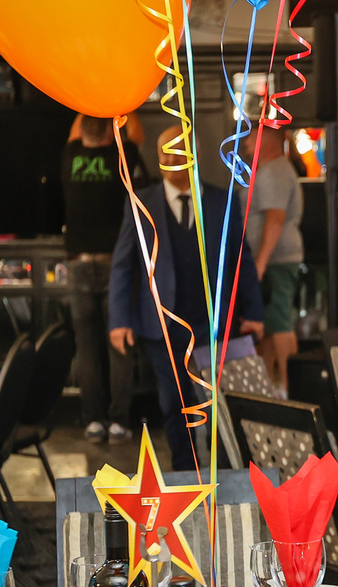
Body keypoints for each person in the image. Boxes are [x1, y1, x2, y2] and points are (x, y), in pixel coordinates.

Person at [110, 128, 265, 472]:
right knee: (173, 403)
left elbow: (242, 259)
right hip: (161, 324)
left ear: (195, 154)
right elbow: (123, 264)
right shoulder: (140, 202)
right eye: (164, 151)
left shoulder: (222, 200)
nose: (171, 157)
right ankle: (185, 473)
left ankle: (224, 475)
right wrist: (119, 320)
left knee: (218, 402)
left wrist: (254, 311)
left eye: (178, 149)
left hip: (213, 322)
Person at [59, 115, 146, 443]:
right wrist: (120, 102)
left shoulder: (70, 156)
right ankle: (119, 421)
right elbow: (137, 133)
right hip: (115, 267)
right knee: (119, 343)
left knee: (86, 345)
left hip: (78, 264)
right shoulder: (118, 157)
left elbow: (76, 129)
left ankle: (93, 421)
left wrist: (88, 102)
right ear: (111, 133)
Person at [244, 124, 306, 394]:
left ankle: (295, 391)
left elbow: (275, 218)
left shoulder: (274, 171)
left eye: (249, 140)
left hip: (275, 260)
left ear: (264, 142)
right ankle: (268, 389)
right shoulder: (270, 170)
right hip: (271, 260)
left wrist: (259, 264)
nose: (245, 146)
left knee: (279, 323)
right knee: (268, 326)